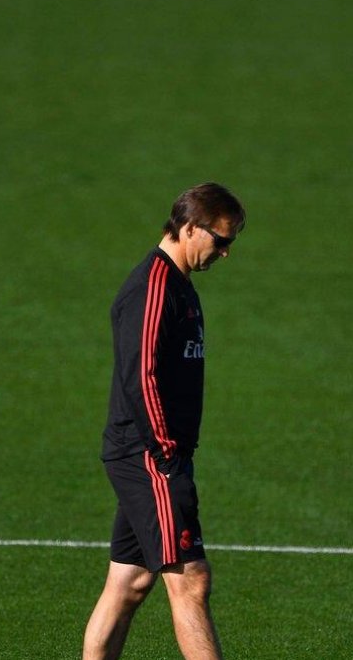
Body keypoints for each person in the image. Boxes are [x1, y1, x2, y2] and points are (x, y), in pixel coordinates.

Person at [83, 183, 246, 660]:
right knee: (191, 581)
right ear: (191, 228)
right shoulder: (153, 286)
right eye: (221, 240)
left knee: (130, 582)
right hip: (150, 454)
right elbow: (141, 376)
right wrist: (165, 454)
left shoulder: (180, 286)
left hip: (155, 453)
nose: (225, 253)